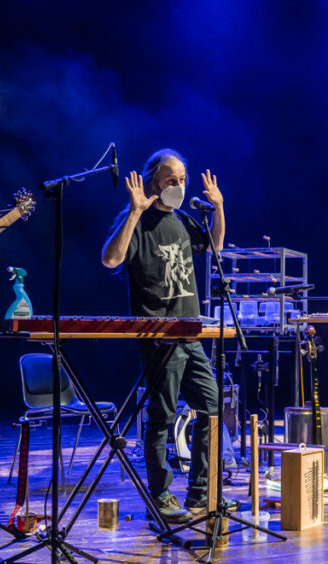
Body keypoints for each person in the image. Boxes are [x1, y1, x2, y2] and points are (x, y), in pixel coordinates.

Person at [101, 148, 232, 522]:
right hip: (158, 338)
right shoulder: (137, 222)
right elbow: (111, 259)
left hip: (190, 336)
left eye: (181, 179)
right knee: (161, 417)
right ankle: (159, 495)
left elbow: (216, 246)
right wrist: (135, 211)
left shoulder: (185, 220)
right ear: (152, 181)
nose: (177, 184)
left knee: (210, 408)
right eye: (170, 178)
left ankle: (202, 494)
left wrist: (219, 207)